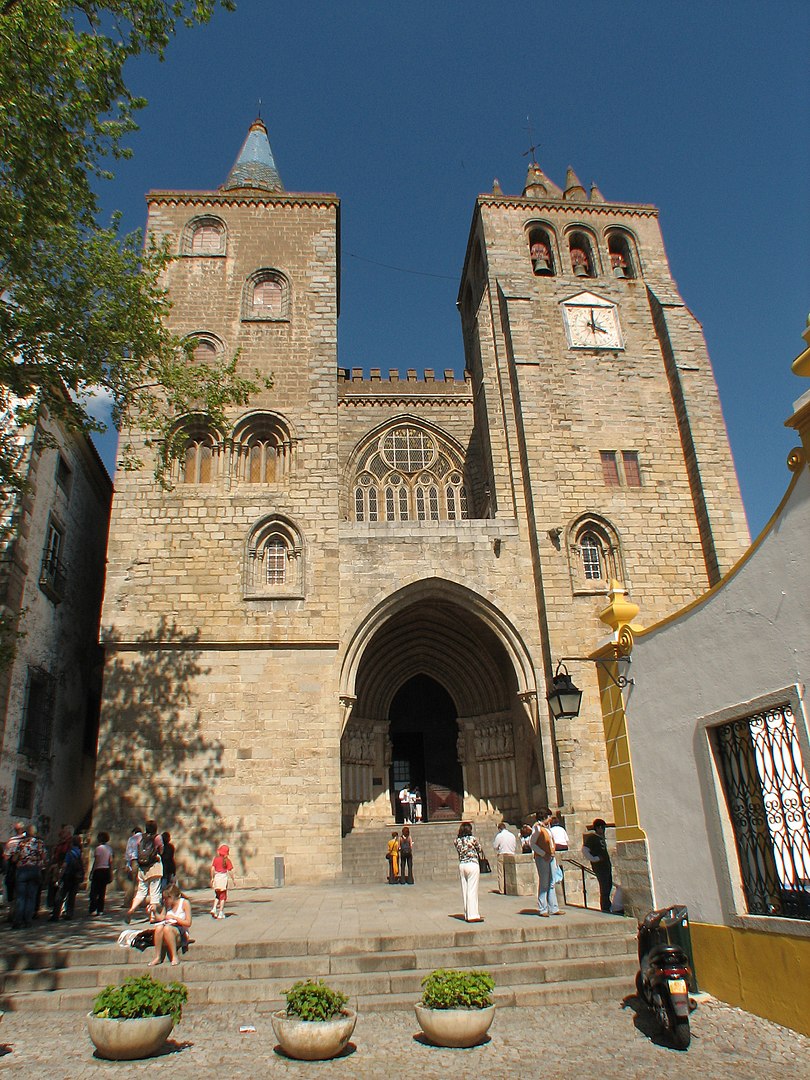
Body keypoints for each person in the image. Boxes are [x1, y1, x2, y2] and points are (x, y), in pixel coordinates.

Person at [125, 820, 163, 923]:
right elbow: (161, 850)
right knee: (154, 892)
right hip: (154, 866)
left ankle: (132, 909)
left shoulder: (140, 837)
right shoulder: (157, 837)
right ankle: (153, 916)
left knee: (141, 892)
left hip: (143, 867)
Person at [12, 826, 48, 929]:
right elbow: (44, 858)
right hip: (34, 870)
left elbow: (14, 858)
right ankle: (27, 920)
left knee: (21, 897)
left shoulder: (21, 843)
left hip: (22, 870)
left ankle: (18, 921)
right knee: (31, 897)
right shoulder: (40, 843)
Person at [148, 883, 192, 967]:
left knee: (167, 928)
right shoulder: (167, 905)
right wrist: (154, 912)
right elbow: (161, 918)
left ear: (172, 897)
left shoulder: (184, 903)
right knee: (159, 927)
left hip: (181, 932)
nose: (164, 901)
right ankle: (157, 956)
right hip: (168, 929)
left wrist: (175, 918)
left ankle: (174, 956)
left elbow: (188, 923)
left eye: (166, 899)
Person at [530, 807, 562, 917]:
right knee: (544, 883)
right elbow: (532, 843)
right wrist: (544, 854)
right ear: (544, 817)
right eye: (548, 816)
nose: (550, 819)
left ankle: (554, 908)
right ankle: (543, 909)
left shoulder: (546, 828)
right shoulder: (537, 828)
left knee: (552, 883)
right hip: (542, 858)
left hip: (551, 857)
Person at [454, 821, 485, 923]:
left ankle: (467, 913)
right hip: (472, 864)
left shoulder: (457, 841)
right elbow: (479, 849)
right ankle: (473, 915)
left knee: (465, 889)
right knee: (472, 890)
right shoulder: (473, 839)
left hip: (462, 865)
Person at [582, 818, 613, 913]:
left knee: (608, 886)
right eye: (602, 828)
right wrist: (595, 859)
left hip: (606, 866)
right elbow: (584, 850)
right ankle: (605, 908)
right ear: (598, 828)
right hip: (600, 867)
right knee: (604, 888)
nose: (603, 830)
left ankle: (608, 906)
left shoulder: (601, 838)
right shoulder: (592, 838)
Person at [54, 834, 85, 919]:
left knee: (61, 895)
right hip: (76, 876)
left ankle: (56, 914)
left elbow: (65, 865)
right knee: (72, 896)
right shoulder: (79, 852)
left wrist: (60, 876)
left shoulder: (70, 852)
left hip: (68, 876)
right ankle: (69, 913)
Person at [3, 821, 27, 911]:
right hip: (26, 868)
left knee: (11, 889)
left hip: (13, 869)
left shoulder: (11, 841)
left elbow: (6, 857)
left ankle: (12, 912)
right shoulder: (29, 840)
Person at [88, 831, 114, 915]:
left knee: (94, 891)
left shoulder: (98, 849)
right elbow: (110, 861)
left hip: (98, 870)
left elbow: (96, 861)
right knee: (102, 891)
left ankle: (92, 909)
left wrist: (92, 871)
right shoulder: (109, 848)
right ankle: (100, 909)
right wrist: (111, 873)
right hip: (106, 870)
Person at [492, 821, 518, 894]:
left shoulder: (499, 836)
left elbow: (495, 846)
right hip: (511, 854)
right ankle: (512, 888)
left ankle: (502, 890)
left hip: (502, 854)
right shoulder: (512, 835)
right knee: (511, 872)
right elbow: (514, 845)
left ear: (499, 829)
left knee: (501, 873)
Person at [210, 843, 235, 918]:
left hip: (217, 877)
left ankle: (214, 908)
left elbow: (212, 869)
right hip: (223, 878)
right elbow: (230, 871)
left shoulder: (215, 859)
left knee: (217, 895)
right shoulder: (227, 860)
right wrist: (233, 879)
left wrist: (212, 878)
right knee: (223, 896)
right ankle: (220, 912)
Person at [124, 824, 143, 903]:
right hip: (144, 860)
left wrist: (128, 864)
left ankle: (128, 901)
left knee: (131, 881)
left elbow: (128, 852)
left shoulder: (132, 839)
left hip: (134, 860)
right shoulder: (145, 837)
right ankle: (141, 902)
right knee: (143, 882)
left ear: (134, 832)